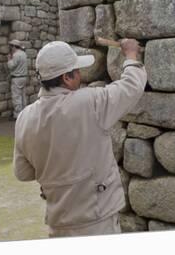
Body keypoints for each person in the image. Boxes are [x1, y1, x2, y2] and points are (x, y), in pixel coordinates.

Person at [13, 39, 147, 238]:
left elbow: (23, 173)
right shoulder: (90, 103)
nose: (80, 76)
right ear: (67, 77)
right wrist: (131, 55)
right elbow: (131, 87)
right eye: (77, 71)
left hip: (58, 223)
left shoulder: (25, 118)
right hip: (98, 221)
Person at [7, 39, 28, 121]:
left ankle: (17, 115)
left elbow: (11, 66)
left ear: (14, 46)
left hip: (17, 78)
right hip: (23, 77)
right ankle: (24, 113)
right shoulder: (23, 54)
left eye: (11, 46)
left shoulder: (16, 55)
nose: (10, 48)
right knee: (23, 96)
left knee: (16, 97)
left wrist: (9, 59)